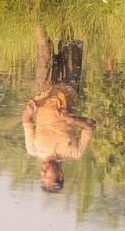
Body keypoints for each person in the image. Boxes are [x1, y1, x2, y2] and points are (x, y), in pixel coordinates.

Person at [22, 26, 96, 192]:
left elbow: (26, 120)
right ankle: (67, 10)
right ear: (61, 175)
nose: (43, 171)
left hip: (44, 91)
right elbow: (91, 125)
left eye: (41, 175)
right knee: (71, 39)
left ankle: (37, 11)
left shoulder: (33, 149)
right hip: (69, 88)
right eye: (47, 175)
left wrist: (30, 110)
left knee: (44, 46)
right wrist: (73, 120)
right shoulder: (74, 152)